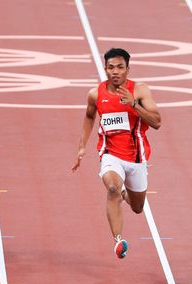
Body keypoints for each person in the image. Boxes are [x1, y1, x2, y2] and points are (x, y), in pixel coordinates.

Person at [72, 48, 161, 259]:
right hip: (111, 154)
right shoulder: (95, 94)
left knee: (138, 207)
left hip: (137, 158)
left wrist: (133, 105)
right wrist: (82, 145)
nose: (115, 72)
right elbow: (89, 116)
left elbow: (157, 122)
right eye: (111, 67)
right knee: (112, 187)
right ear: (105, 69)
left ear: (128, 69)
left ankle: (124, 195)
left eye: (120, 67)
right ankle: (119, 240)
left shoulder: (139, 91)